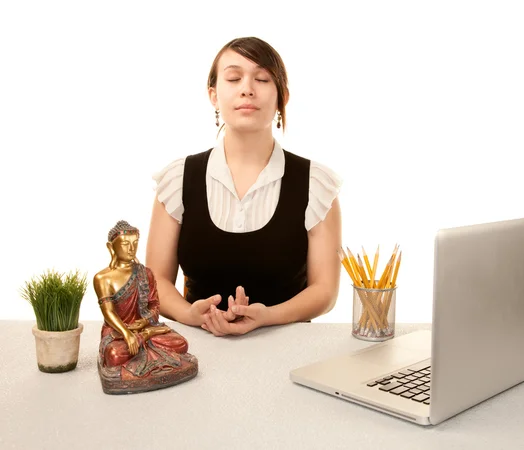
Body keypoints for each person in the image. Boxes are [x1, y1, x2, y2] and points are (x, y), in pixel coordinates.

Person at [146, 37, 342, 337]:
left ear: (282, 98)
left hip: (289, 350)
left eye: (262, 78)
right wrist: (190, 313)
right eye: (234, 78)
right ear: (213, 95)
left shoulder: (315, 184)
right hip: (197, 349)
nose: (247, 88)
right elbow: (156, 279)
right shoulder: (177, 180)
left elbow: (325, 291)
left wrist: (268, 316)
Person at [93, 220, 198, 394]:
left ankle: (144, 344)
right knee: (115, 355)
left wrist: (145, 325)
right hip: (118, 333)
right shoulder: (103, 278)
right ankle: (135, 354)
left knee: (180, 343)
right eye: (125, 244)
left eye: (135, 243)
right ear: (111, 247)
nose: (131, 248)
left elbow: (155, 306)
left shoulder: (145, 273)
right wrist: (127, 334)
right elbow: (109, 312)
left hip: (147, 329)